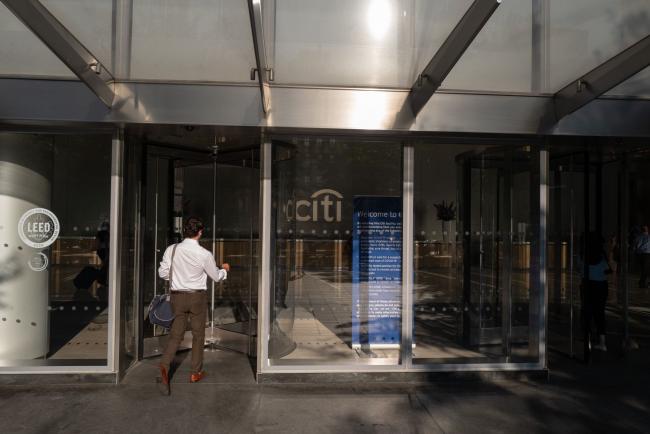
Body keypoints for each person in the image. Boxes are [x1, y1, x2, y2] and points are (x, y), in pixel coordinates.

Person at [157, 217, 230, 395]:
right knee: (198, 336)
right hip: (197, 297)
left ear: (184, 232)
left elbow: (162, 272)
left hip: (177, 297)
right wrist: (225, 270)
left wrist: (177, 279)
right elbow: (215, 276)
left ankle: (164, 366)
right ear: (200, 232)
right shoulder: (205, 254)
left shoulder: (172, 249)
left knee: (175, 335)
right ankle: (195, 373)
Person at [581, 232, 611, 352]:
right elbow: (608, 270)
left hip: (588, 284)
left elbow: (580, 269)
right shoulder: (602, 255)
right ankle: (602, 341)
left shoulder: (584, 255)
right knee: (600, 313)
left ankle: (587, 339)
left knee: (587, 312)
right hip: (601, 285)